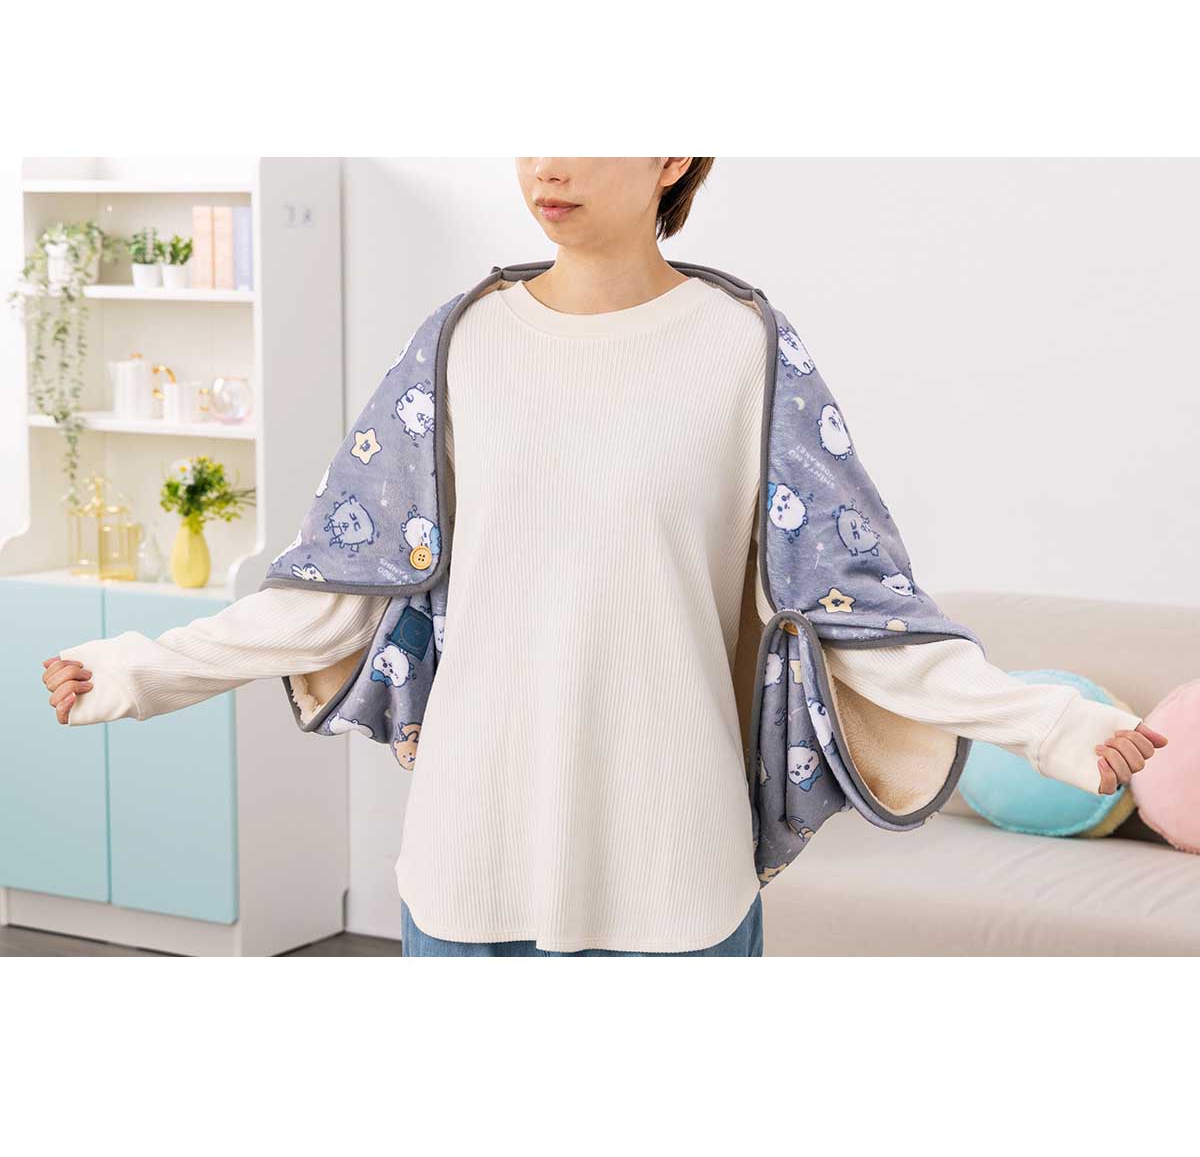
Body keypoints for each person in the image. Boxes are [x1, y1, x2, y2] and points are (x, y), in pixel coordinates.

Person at [42, 158, 1167, 958]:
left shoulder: (745, 349)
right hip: (470, 858)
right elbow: (335, 588)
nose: (550, 164)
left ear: (673, 155)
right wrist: (139, 667)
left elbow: (855, 609)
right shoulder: (460, 343)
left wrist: (1053, 725)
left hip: (676, 870)